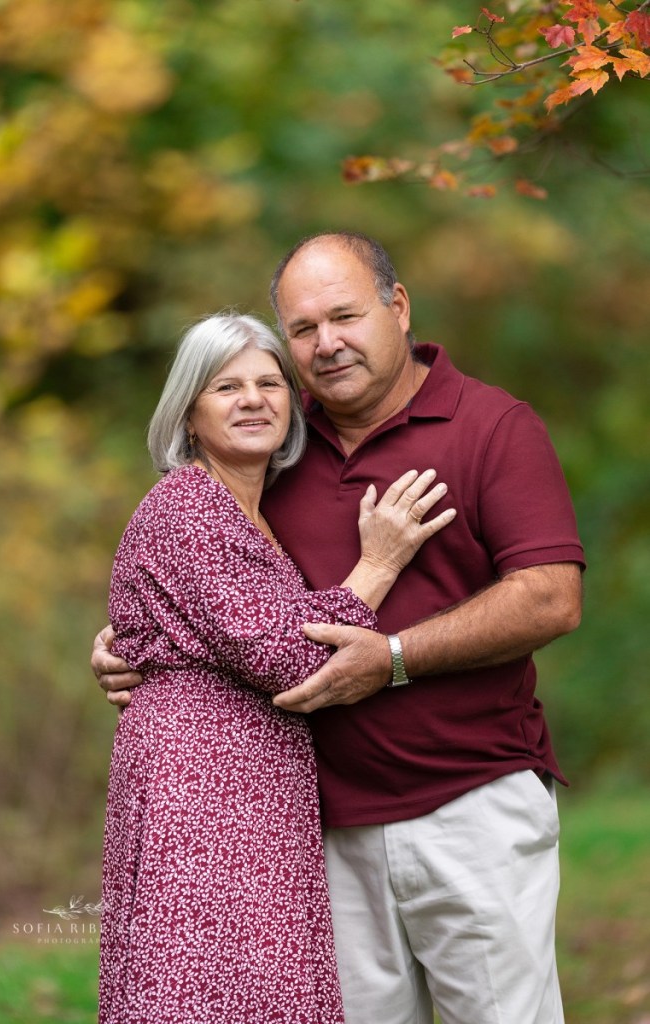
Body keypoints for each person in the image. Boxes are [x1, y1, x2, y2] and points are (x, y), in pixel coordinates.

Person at [93, 233, 585, 1024]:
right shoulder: (276, 449)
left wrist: (391, 657)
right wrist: (130, 648)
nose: (326, 345)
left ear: (397, 308)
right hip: (320, 827)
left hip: (468, 803)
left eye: (345, 317)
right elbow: (207, 584)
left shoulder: (491, 424)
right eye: (302, 329)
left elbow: (549, 598)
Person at [97, 309, 455, 1024]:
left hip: (251, 789)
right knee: (205, 988)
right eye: (227, 387)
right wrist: (378, 565)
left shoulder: (252, 508)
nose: (254, 399)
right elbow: (284, 657)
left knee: (254, 986)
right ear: (188, 414)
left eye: (269, 383)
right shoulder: (189, 505)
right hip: (200, 792)